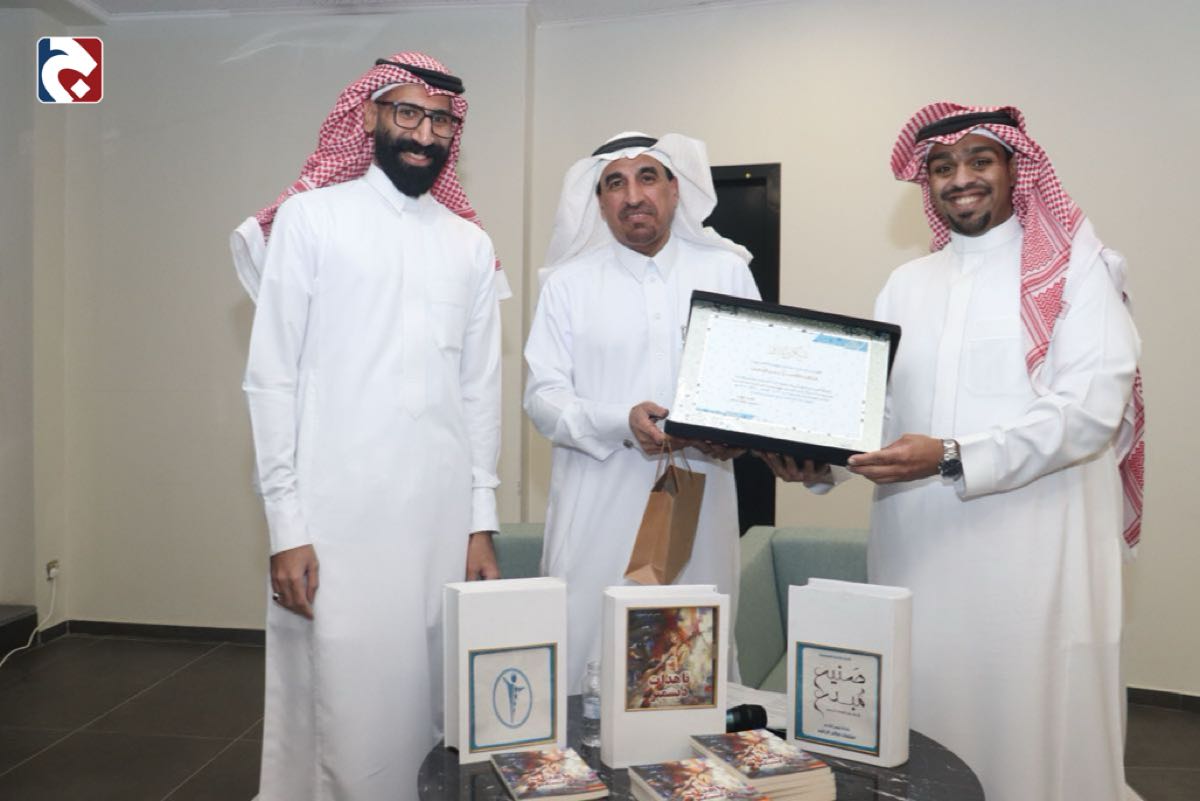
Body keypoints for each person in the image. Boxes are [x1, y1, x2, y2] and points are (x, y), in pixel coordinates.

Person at [765, 103, 1145, 801]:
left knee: (1028, 723)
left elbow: (1089, 411)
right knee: (924, 714)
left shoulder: (1076, 269)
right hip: (919, 553)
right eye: (942, 166)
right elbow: (879, 414)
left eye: (979, 160)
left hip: (1034, 558)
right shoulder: (907, 284)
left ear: (1015, 169)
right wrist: (818, 461)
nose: (960, 178)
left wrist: (950, 454)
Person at [232, 52, 508, 801]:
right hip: (337, 521)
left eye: (440, 120)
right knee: (342, 707)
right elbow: (271, 378)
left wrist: (480, 524)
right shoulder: (312, 220)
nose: (423, 134)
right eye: (407, 113)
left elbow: (479, 393)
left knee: (431, 704)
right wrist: (285, 526)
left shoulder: (471, 245)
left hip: (439, 521)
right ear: (369, 117)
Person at [524, 132, 759, 691]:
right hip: (597, 508)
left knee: (692, 670)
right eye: (616, 183)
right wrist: (619, 421)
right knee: (589, 661)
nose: (633, 196)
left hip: (700, 505)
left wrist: (740, 435)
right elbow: (542, 398)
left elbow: (754, 385)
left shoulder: (726, 272)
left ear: (675, 189)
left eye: (647, 177)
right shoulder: (567, 285)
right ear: (599, 201)